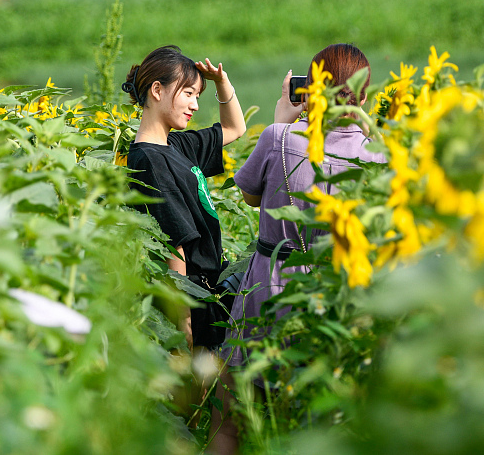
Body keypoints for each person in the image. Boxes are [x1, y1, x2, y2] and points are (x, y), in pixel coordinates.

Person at [209, 43, 386, 454]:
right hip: (339, 297)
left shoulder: (279, 138)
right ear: (363, 94)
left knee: (230, 413)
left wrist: (283, 121)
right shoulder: (376, 153)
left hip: (269, 287)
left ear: (311, 88)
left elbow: (252, 196)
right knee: (325, 420)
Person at [123, 45, 247, 349]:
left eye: (197, 96)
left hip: (207, 293)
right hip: (190, 300)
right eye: (188, 93)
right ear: (157, 90)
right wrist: (184, 330)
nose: (194, 105)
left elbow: (235, 128)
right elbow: (174, 248)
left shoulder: (176, 145)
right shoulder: (149, 161)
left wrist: (222, 82)